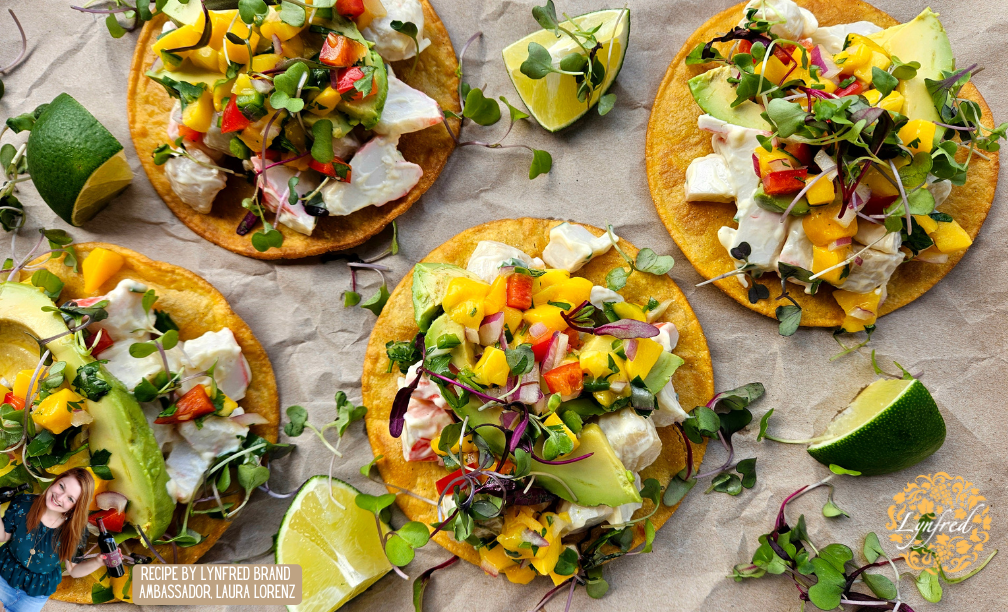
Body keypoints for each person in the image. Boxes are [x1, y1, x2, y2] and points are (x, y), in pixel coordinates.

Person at [0, 468, 106, 612]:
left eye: (70, 499)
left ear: (76, 506)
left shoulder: (76, 532)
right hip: (3, 574)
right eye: (61, 486)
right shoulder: (23, 503)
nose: (59, 497)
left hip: (35, 594)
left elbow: (74, 570)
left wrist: (98, 561)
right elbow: (3, 536)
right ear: (56, 481)